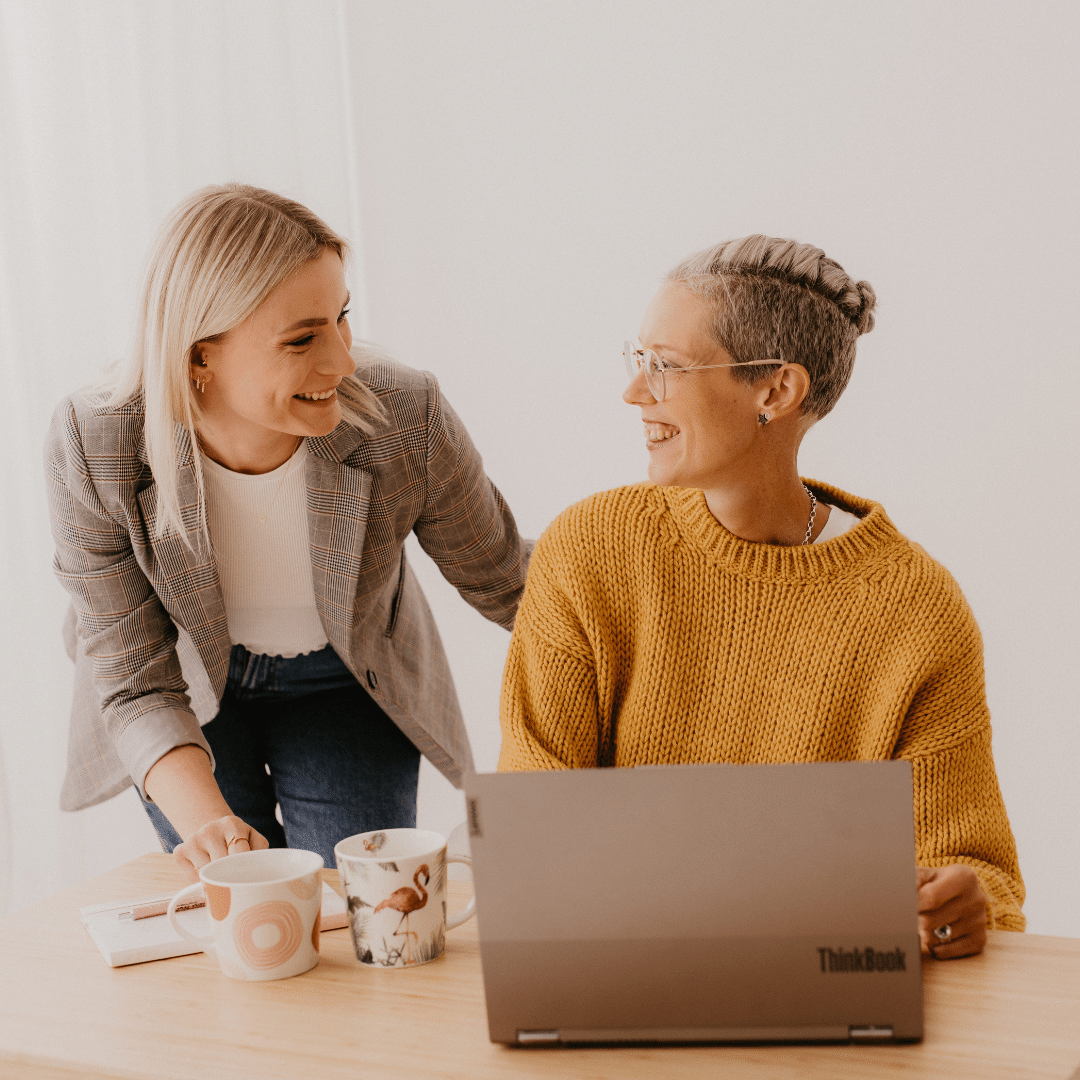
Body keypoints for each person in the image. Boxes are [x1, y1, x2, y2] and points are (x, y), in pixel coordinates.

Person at [498, 235, 1023, 959]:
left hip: (830, 988)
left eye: (667, 368)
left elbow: (978, 871)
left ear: (776, 391)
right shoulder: (592, 549)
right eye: (638, 359)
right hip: (624, 965)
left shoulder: (915, 609)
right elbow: (533, 822)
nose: (633, 392)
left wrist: (963, 906)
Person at [47, 184, 529, 878]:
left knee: (358, 907)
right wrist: (211, 827)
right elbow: (131, 674)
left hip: (344, 681)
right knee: (248, 913)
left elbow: (506, 578)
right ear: (197, 356)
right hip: (182, 690)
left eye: (342, 319)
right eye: (302, 338)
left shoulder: (402, 413)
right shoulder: (93, 441)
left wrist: (660, 569)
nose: (343, 362)